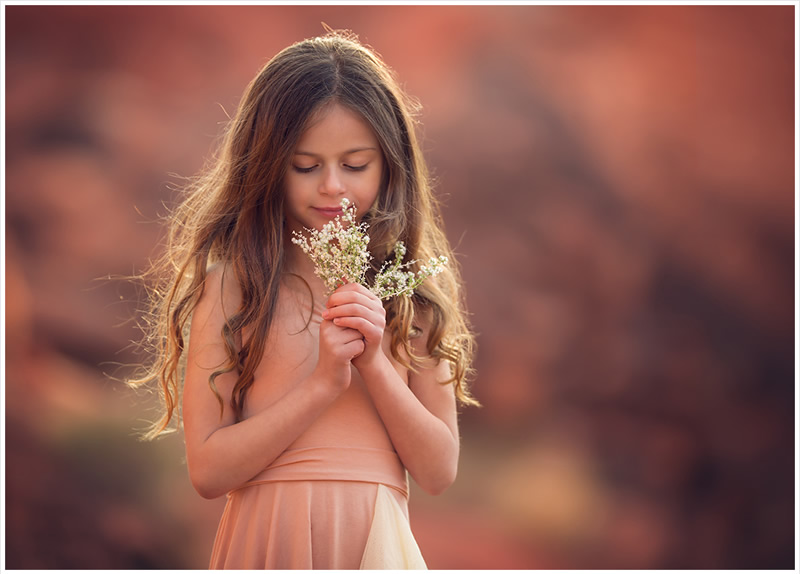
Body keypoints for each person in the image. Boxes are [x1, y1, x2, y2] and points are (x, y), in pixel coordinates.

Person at [129, 29, 478, 570]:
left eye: (356, 165)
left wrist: (375, 363)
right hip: (269, 541)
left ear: (390, 166)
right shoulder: (234, 288)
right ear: (266, 165)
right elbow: (208, 471)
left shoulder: (410, 298)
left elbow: (437, 471)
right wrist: (321, 384)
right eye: (306, 165)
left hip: (373, 543)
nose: (332, 186)